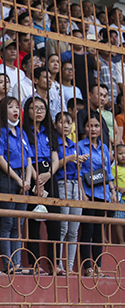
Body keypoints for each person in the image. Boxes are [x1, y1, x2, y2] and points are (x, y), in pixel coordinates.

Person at [22, 96, 61, 275]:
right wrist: (37, 179)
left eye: (41, 108)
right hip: (32, 174)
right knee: (33, 222)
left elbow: (55, 159)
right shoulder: (23, 131)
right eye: (33, 108)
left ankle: (55, 264)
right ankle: (35, 263)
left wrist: (48, 174)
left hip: (49, 176)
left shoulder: (50, 132)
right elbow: (27, 158)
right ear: (27, 110)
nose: (37, 111)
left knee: (55, 221)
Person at [0, 96, 33, 274]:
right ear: (4, 110)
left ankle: (17, 263)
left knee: (19, 223)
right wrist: (19, 179)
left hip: (24, 180)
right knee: (7, 222)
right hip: (8, 179)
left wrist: (28, 180)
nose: (16, 110)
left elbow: (30, 159)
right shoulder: (0, 132)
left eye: (17, 107)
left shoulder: (22, 132)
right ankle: (8, 264)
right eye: (11, 107)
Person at [78, 114, 117, 277]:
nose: (92, 129)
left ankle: (98, 267)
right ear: (84, 128)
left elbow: (108, 171)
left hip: (103, 193)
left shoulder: (104, 148)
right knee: (87, 230)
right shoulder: (80, 146)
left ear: (101, 129)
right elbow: (78, 173)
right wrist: (82, 194)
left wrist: (113, 190)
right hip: (88, 192)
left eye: (96, 126)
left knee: (99, 233)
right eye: (89, 126)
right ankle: (87, 267)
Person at [54, 111, 84, 274]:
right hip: (62, 183)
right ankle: (59, 265)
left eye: (68, 122)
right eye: (61, 122)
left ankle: (70, 267)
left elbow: (78, 172)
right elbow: (54, 166)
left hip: (75, 185)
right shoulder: (55, 144)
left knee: (74, 229)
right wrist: (69, 158)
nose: (65, 125)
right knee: (63, 227)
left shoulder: (74, 145)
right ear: (55, 124)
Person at [111, 144, 125, 244]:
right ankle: (121, 241)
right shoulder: (113, 168)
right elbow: (110, 183)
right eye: (120, 154)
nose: (123, 156)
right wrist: (119, 189)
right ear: (115, 155)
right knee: (119, 220)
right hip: (120, 198)